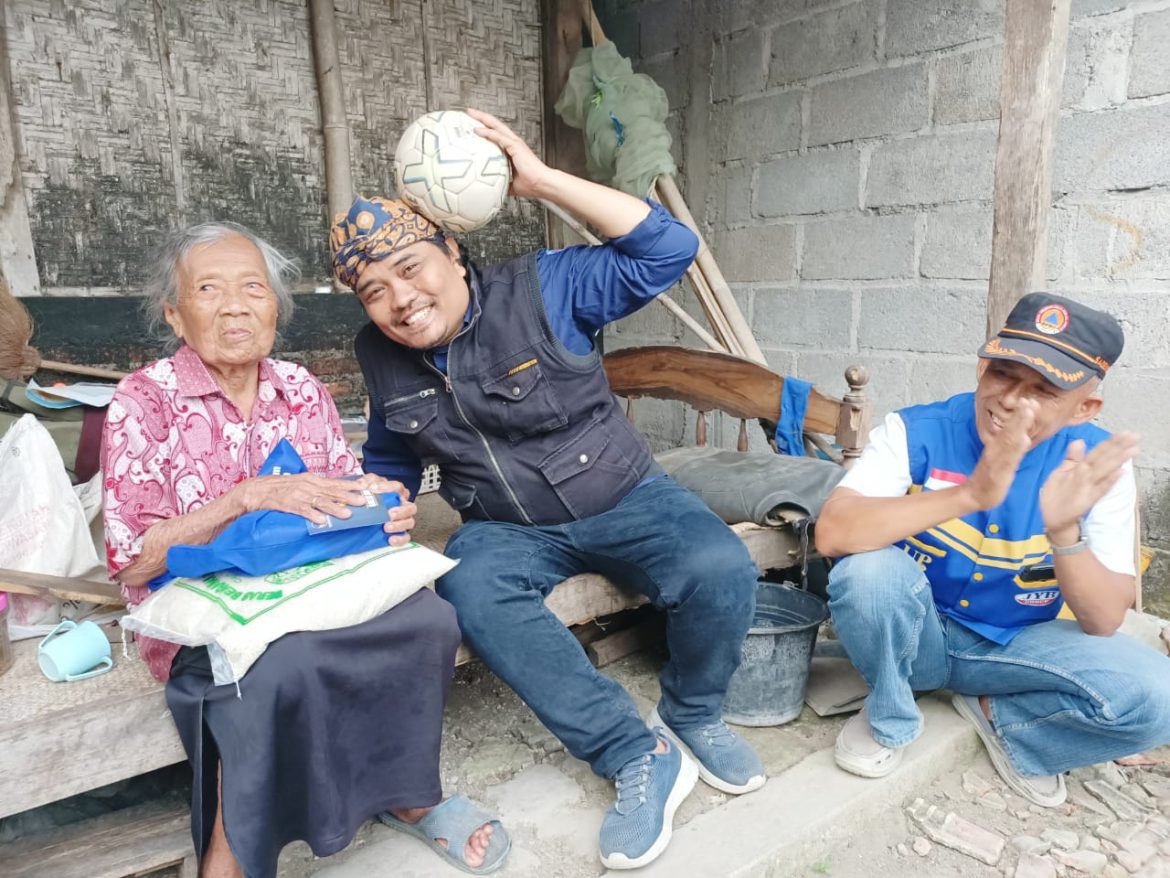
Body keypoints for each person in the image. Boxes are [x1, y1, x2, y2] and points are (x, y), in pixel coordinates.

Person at [330, 108, 765, 870]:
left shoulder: (544, 287)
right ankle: (634, 752)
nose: (399, 299)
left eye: (410, 269)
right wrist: (382, 504)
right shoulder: (380, 351)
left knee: (720, 567)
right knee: (472, 586)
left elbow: (671, 247)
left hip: (626, 494)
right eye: (373, 290)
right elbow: (391, 446)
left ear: (453, 254)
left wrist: (541, 181)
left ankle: (693, 712)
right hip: (505, 525)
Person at [101, 223, 509, 878]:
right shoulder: (143, 401)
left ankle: (406, 797)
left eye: (252, 289)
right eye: (210, 289)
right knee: (278, 663)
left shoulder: (299, 387)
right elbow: (133, 560)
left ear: (275, 309)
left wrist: (380, 507)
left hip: (301, 581)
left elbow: (338, 493)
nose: (235, 305)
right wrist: (248, 497)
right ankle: (231, 853)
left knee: (426, 617)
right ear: (176, 313)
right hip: (194, 604)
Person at [815, 292, 1170, 806]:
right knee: (867, 573)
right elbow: (834, 532)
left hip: (1019, 644)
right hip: (918, 634)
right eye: (1003, 373)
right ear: (983, 367)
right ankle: (889, 705)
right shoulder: (916, 430)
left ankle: (1001, 720)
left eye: (1043, 390)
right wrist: (970, 494)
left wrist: (1065, 530)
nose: (1009, 400)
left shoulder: (1095, 466)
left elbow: (1103, 620)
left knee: (1158, 698)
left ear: (1084, 407)